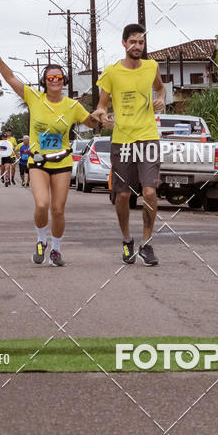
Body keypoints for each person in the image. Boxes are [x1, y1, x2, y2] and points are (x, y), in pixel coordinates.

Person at [0, 31, 100, 266]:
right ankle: (41, 240)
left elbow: (91, 122)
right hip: (38, 162)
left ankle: (56, 249)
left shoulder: (73, 106)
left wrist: (101, 116)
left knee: (57, 210)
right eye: (50, 78)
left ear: (64, 80)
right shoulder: (34, 98)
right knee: (42, 205)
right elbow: (10, 78)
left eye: (59, 77)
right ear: (44, 82)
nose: (55, 80)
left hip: (63, 162)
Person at [92, 23, 167, 267]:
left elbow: (160, 89)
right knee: (122, 195)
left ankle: (146, 243)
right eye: (133, 42)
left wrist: (161, 99)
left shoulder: (151, 66)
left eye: (141, 42)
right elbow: (103, 105)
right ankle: (127, 240)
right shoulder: (111, 72)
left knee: (149, 192)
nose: (137, 46)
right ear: (124, 43)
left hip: (147, 137)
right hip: (122, 139)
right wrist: (103, 115)